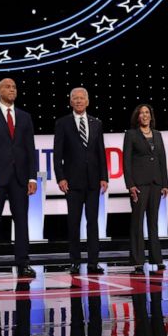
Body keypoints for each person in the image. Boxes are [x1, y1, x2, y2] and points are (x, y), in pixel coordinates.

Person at [0, 78, 39, 280]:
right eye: (7, 87)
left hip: (20, 178)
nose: (12, 89)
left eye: (14, 87)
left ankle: (23, 263)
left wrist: (32, 177)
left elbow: (30, 149)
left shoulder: (25, 117)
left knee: (22, 222)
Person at [54, 87, 108, 275]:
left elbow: (101, 152)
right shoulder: (62, 123)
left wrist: (104, 177)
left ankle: (93, 262)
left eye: (81, 98)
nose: (78, 101)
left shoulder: (97, 123)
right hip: (72, 182)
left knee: (93, 222)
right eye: (75, 98)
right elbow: (57, 154)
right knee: (74, 223)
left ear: (87, 101)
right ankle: (75, 262)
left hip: (93, 182)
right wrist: (61, 177)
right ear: (70, 102)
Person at [122, 104, 168, 274]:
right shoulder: (131, 134)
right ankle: (138, 260)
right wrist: (130, 185)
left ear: (151, 116)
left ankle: (157, 258)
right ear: (137, 116)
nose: (144, 115)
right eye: (141, 113)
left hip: (156, 183)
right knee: (137, 222)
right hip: (139, 184)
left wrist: (165, 184)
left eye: (147, 112)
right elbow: (126, 162)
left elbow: (162, 160)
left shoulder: (157, 134)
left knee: (154, 222)